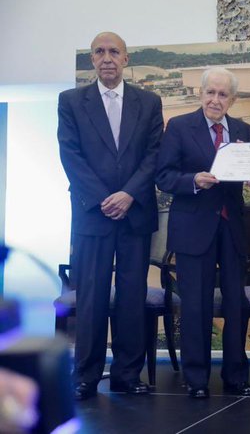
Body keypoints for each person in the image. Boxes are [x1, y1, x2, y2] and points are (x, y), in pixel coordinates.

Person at [58, 32, 163, 400]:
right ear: (92, 59)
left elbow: (154, 154)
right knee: (92, 296)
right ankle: (85, 376)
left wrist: (128, 194)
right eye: (99, 52)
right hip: (93, 213)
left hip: (135, 213)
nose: (107, 58)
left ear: (125, 58)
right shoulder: (71, 101)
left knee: (132, 297)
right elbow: (70, 155)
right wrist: (105, 199)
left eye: (114, 52)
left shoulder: (149, 102)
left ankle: (127, 375)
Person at [155, 68, 250, 399]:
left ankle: (236, 377)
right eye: (210, 92)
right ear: (200, 93)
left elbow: (249, 171)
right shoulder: (179, 126)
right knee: (195, 306)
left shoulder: (242, 129)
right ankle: (196, 379)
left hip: (232, 228)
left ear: (232, 99)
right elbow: (164, 176)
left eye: (223, 94)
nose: (215, 100)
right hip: (193, 228)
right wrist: (193, 181)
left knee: (236, 304)